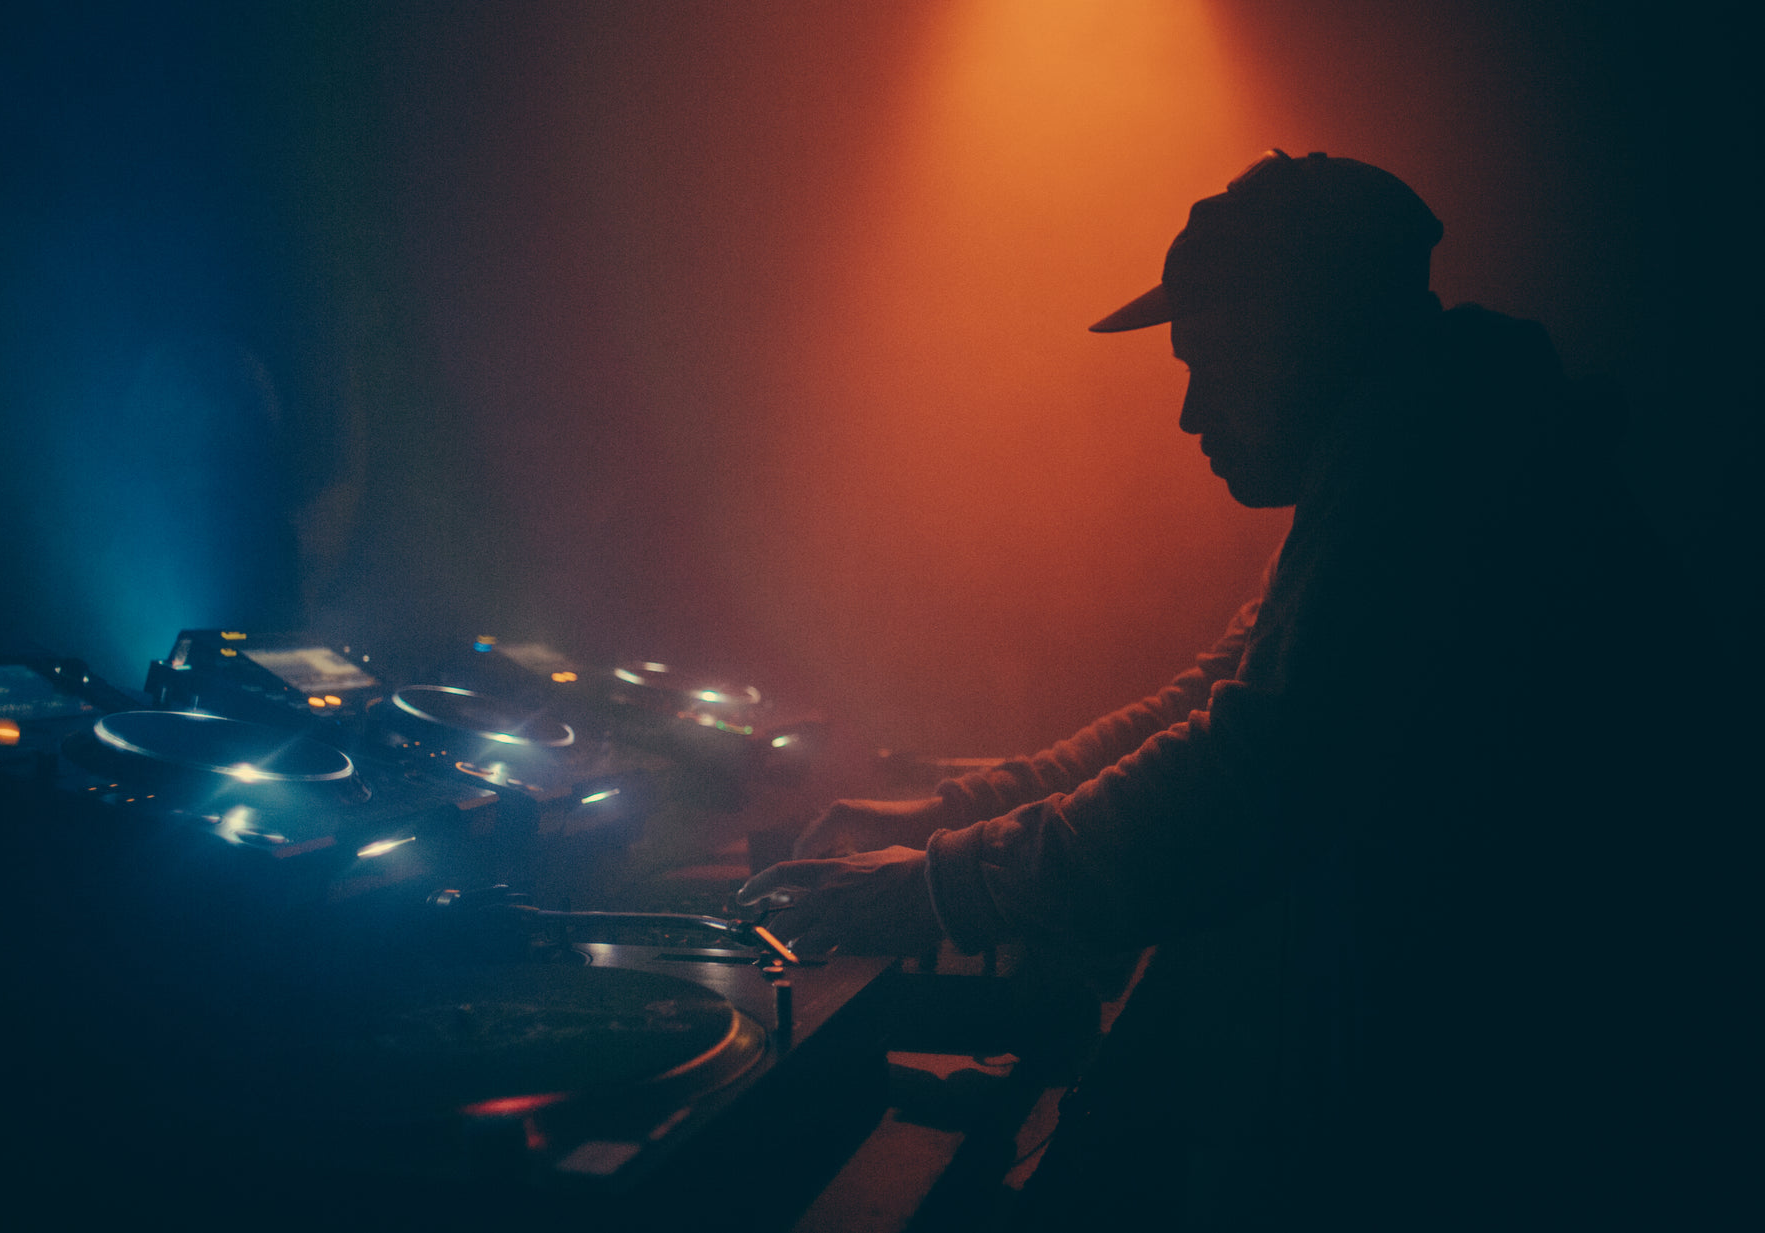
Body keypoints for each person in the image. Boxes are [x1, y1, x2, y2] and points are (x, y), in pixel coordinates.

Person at [739, 151, 1729, 1229]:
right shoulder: (1422, 429)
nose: (1188, 412)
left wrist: (939, 887)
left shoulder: (1433, 461)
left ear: (1299, 333)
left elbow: (1250, 778)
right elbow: (1218, 693)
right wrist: (955, 814)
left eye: (1207, 363)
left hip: (1541, 1126)